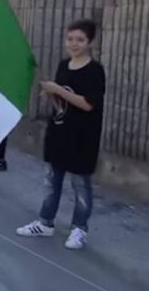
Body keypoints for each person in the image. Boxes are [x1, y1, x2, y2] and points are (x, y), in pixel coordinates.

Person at [16, 19, 105, 250]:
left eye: (80, 40)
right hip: (59, 132)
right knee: (51, 181)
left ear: (90, 42)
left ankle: (79, 229)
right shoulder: (64, 65)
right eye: (70, 39)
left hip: (82, 137)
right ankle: (45, 222)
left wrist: (59, 91)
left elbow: (88, 104)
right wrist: (52, 95)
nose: (74, 44)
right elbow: (62, 102)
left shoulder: (95, 70)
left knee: (80, 185)